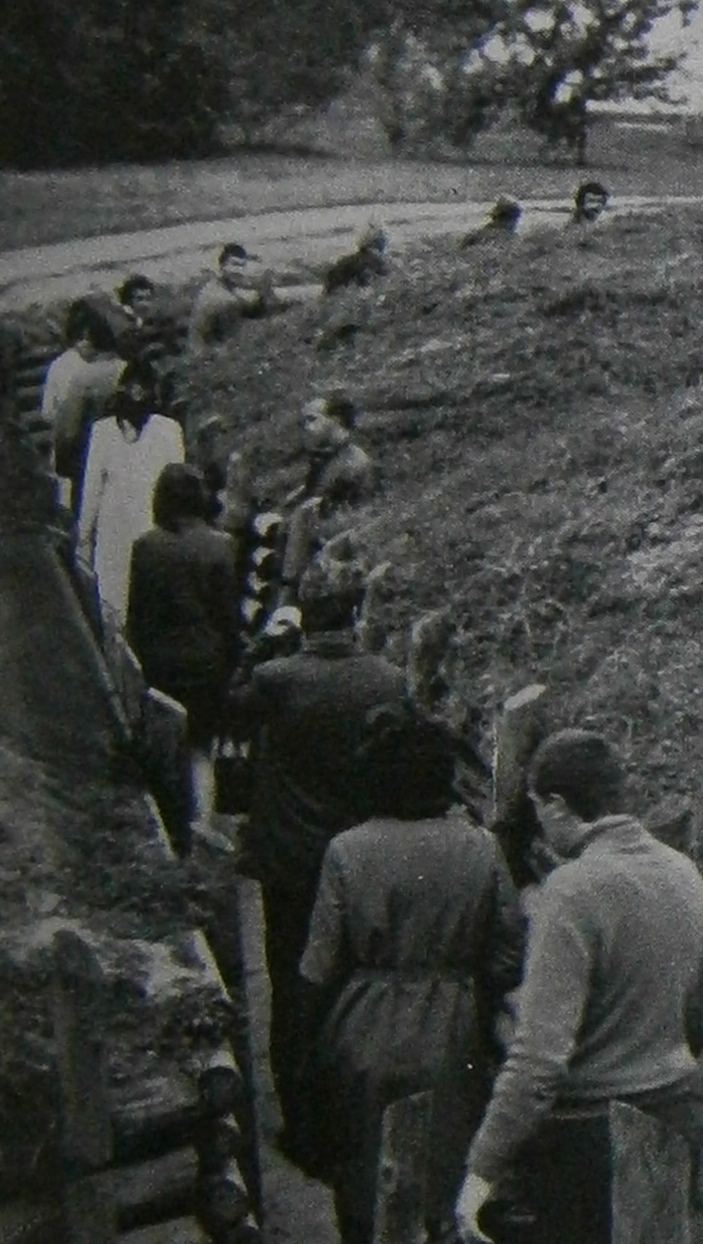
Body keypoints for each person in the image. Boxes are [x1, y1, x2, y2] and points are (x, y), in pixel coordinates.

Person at [454, 729, 703, 1244]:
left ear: (557, 806)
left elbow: (538, 1059)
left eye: (538, 809)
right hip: (672, 1120)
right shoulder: (684, 873)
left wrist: (481, 1169)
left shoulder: (571, 890)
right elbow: (699, 1025)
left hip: (587, 1146)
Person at [287, 705, 523, 1244]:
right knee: (444, 1200)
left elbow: (317, 967)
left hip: (360, 1034)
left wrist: (304, 1052)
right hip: (452, 1039)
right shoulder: (480, 849)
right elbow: (506, 957)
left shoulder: (347, 851)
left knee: (363, 1197)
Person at [228, 551, 407, 1116]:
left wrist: (265, 643)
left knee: (289, 978)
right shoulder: (388, 679)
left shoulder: (277, 679)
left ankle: (299, 1113)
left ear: (304, 614)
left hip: (291, 860)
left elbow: (228, 704)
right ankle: (347, 1102)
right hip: (360, 859)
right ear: (354, 611)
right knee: (352, 981)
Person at [126, 465, 240, 837]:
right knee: (201, 749)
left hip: (161, 665)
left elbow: (138, 616)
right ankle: (202, 827)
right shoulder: (220, 547)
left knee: (165, 746)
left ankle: (167, 827)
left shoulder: (146, 547)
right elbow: (228, 617)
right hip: (206, 665)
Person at [76, 361, 185, 623]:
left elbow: (178, 484)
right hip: (115, 529)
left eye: (142, 389)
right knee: (114, 601)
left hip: (154, 528)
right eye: (131, 389)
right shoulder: (102, 432)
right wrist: (83, 538)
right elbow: (91, 490)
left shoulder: (168, 430)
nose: (136, 395)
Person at [274, 391, 378, 608]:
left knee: (301, 517)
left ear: (336, 422)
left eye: (312, 419)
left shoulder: (352, 461)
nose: (305, 428)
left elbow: (350, 510)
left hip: (343, 535)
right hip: (324, 533)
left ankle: (286, 599)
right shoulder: (329, 457)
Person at [40, 300, 126, 513]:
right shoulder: (126, 368)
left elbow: (60, 424)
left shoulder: (76, 375)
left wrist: (64, 465)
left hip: (86, 457)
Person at [187, 243, 278, 353]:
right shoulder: (218, 296)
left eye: (241, 266)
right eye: (234, 265)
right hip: (208, 354)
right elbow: (248, 308)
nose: (239, 270)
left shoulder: (218, 286)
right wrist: (264, 291)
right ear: (221, 266)